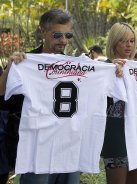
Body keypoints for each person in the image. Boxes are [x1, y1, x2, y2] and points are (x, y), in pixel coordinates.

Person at [0, 9, 80, 184]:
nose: (64, 40)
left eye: (68, 35)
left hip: (69, 150)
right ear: (42, 32)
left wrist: (117, 72)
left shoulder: (78, 67)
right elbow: (2, 96)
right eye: (57, 35)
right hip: (37, 153)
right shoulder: (26, 62)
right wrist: (10, 69)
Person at [100, 22, 137, 184]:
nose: (129, 45)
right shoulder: (102, 69)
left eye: (132, 41)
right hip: (115, 136)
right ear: (114, 42)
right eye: (123, 40)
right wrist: (110, 75)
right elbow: (96, 104)